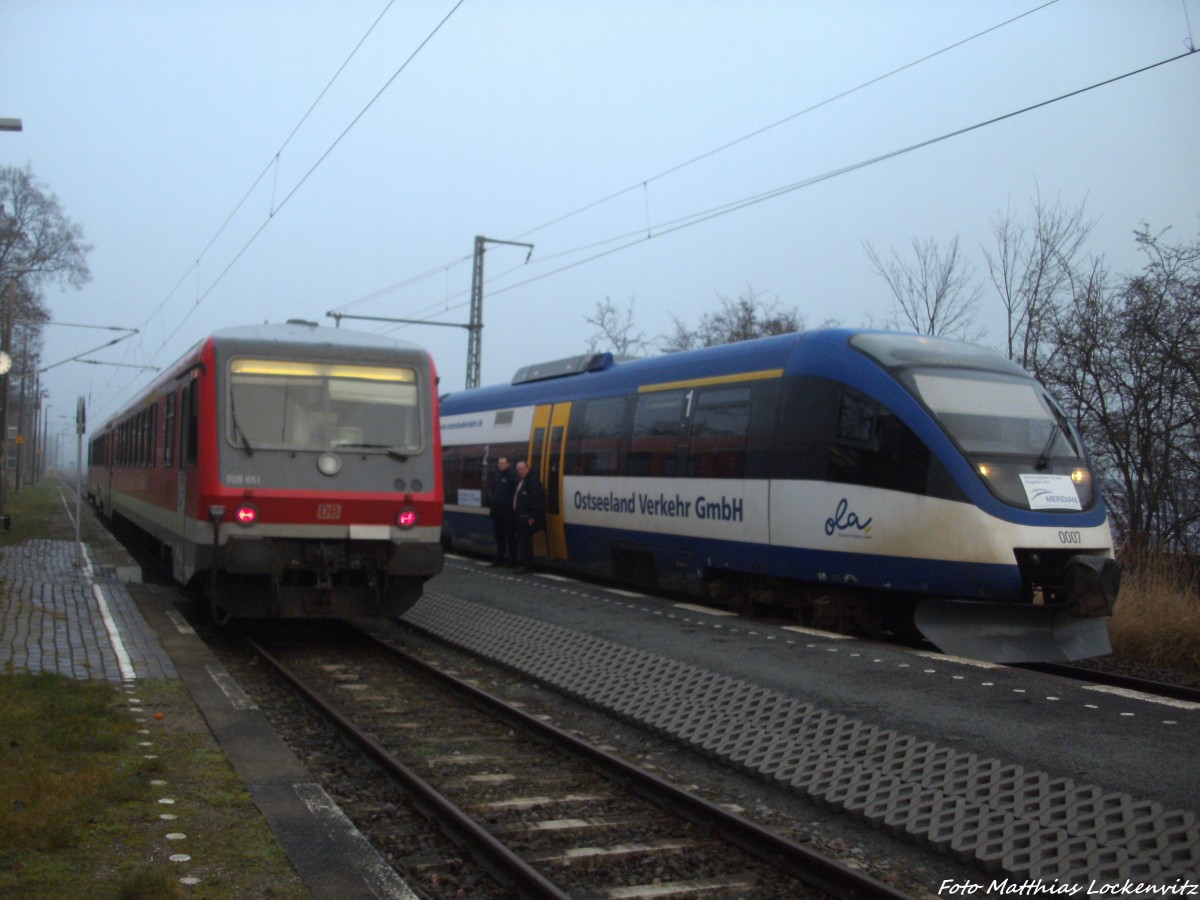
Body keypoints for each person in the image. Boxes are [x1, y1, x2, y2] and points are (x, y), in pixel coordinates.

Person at [512, 459, 546, 573]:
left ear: (527, 468)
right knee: (522, 542)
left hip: (526, 518)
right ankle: (524, 564)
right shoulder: (520, 481)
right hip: (520, 516)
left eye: (521, 469)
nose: (519, 471)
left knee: (526, 542)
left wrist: (533, 516)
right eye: (518, 469)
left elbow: (537, 500)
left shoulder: (533, 481)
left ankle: (527, 565)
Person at [488, 456, 518, 566]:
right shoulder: (497, 475)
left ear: (508, 464)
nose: (501, 465)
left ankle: (513, 560)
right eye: (499, 464)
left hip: (508, 511)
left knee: (510, 536)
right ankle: (499, 558)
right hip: (497, 511)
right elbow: (494, 491)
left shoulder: (512, 476)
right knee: (499, 536)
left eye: (503, 463)